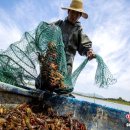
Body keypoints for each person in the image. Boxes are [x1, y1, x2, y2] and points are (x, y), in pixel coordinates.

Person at [35, 0, 95, 96]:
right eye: (72, 12)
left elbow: (85, 45)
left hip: (66, 65)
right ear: (68, 12)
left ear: (80, 16)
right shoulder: (59, 24)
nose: (74, 16)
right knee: (44, 82)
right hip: (52, 60)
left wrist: (88, 51)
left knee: (62, 87)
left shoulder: (78, 30)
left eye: (77, 14)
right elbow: (46, 32)